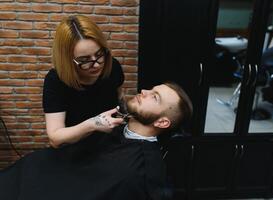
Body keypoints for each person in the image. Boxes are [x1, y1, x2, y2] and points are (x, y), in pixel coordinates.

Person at [0, 82, 193, 200]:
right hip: (37, 173)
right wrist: (90, 125)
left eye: (154, 97)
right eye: (150, 89)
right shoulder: (112, 128)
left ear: (162, 121)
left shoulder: (139, 171)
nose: (143, 91)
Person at [43, 15, 125, 149]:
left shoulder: (112, 66)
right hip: (75, 149)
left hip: (111, 144)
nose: (97, 65)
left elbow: (120, 99)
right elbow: (55, 138)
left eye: (99, 54)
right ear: (67, 60)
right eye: (84, 60)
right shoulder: (55, 81)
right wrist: (92, 124)